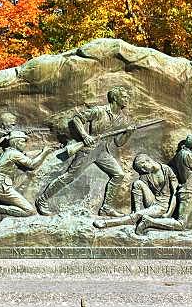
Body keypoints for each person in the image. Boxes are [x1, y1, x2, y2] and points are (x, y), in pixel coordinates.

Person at [36, 86, 134, 216]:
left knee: (119, 174)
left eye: (128, 97)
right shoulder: (99, 111)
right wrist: (85, 136)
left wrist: (128, 133)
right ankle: (42, 200)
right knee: (69, 176)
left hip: (102, 151)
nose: (127, 99)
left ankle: (106, 208)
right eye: (124, 97)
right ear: (115, 98)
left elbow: (118, 142)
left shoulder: (123, 119)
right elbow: (77, 118)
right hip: (88, 149)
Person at [136, 133, 192, 233]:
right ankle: (149, 222)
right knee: (181, 224)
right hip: (188, 192)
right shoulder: (186, 155)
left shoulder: (182, 154)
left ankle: (177, 222)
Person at [0, 131, 56, 222]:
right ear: (16, 142)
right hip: (2, 187)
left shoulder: (7, 152)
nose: (25, 145)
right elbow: (32, 164)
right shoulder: (14, 153)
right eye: (22, 142)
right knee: (29, 211)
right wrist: (45, 152)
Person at [94, 153, 178, 229]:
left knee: (137, 215)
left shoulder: (167, 170)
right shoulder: (146, 176)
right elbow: (139, 187)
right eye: (141, 170)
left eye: (143, 168)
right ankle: (136, 214)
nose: (143, 171)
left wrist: (169, 213)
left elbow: (175, 194)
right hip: (153, 201)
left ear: (148, 161)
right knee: (138, 183)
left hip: (163, 206)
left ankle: (107, 223)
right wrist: (137, 209)